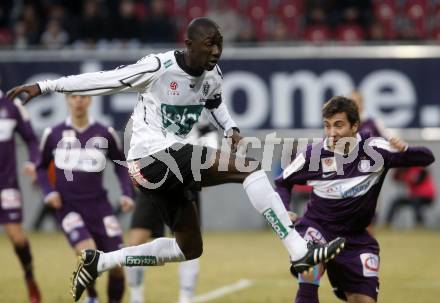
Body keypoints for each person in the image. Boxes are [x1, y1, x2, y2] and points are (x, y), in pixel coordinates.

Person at [7, 17, 345, 302]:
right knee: (248, 167)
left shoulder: (213, 75)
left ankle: (102, 261)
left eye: (220, 44)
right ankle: (300, 252)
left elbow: (214, 103)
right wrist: (45, 87)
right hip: (150, 156)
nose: (215, 51)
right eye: (209, 44)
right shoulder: (158, 67)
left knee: (189, 248)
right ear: (189, 44)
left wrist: (231, 128)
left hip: (167, 165)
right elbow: (104, 80)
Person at [275, 96, 435, 303]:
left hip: (356, 238)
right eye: (327, 126)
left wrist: (404, 149)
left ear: (355, 126)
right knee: (310, 267)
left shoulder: (376, 150)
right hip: (318, 228)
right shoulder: (313, 155)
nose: (332, 133)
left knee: (363, 300)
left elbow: (426, 157)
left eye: (339, 125)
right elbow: (282, 182)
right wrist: (284, 210)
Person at [36, 94, 134, 303]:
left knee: (117, 267)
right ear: (67, 100)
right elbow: (41, 167)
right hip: (68, 207)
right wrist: (49, 192)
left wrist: (126, 193)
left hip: (100, 208)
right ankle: (92, 297)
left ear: (90, 100)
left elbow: (120, 165)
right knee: (89, 256)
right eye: (73, 97)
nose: (78, 101)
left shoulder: (104, 132)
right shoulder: (53, 133)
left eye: (83, 97)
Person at [126, 122, 216, 303]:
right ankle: (136, 297)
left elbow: (211, 151)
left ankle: (186, 298)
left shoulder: (202, 116)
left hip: (184, 179)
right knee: (136, 241)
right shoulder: (154, 104)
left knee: (189, 243)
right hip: (153, 176)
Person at [0, 89, 41, 302]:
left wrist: (32, 162)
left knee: (18, 239)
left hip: (6, 185)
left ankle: (30, 277)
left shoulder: (12, 107)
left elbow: (32, 140)